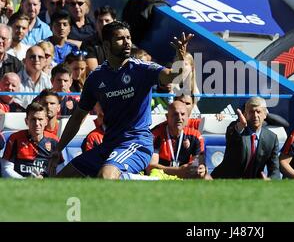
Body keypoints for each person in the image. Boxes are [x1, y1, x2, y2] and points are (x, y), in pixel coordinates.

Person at [48, 21, 194, 179]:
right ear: (106, 45)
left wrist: (180, 58)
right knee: (61, 180)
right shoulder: (96, 78)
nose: (127, 42)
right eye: (120, 39)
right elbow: (78, 117)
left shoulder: (141, 69)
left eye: (129, 38)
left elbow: (172, 76)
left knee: (106, 175)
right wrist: (58, 148)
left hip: (136, 143)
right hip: (109, 144)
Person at [211, 96, 281, 179]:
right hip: (226, 180)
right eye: (251, 112)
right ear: (245, 114)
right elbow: (233, 136)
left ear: (265, 115)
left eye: (258, 112)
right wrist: (240, 127)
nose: (255, 115)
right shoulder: (235, 128)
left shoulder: (271, 138)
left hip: (253, 184)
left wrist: (270, 180)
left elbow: (275, 170)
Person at [146, 100, 207, 179]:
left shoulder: (195, 136)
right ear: (167, 117)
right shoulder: (156, 134)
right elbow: (150, 168)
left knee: (206, 178)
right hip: (160, 177)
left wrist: (200, 169)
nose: (179, 118)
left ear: (188, 117)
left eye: (183, 114)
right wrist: (177, 171)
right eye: (175, 114)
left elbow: (199, 162)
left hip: (185, 176)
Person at [0, 102, 60, 178]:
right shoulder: (15, 138)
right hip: (20, 185)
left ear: (46, 121)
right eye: (33, 119)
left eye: (40, 119)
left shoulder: (54, 140)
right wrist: (25, 180)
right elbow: (6, 168)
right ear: (26, 121)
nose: (37, 123)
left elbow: (60, 168)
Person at [81, 5, 116, 73]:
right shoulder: (88, 44)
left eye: (107, 20)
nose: (104, 24)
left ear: (114, 22)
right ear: (96, 23)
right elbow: (95, 73)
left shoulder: (122, 41)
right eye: (100, 21)